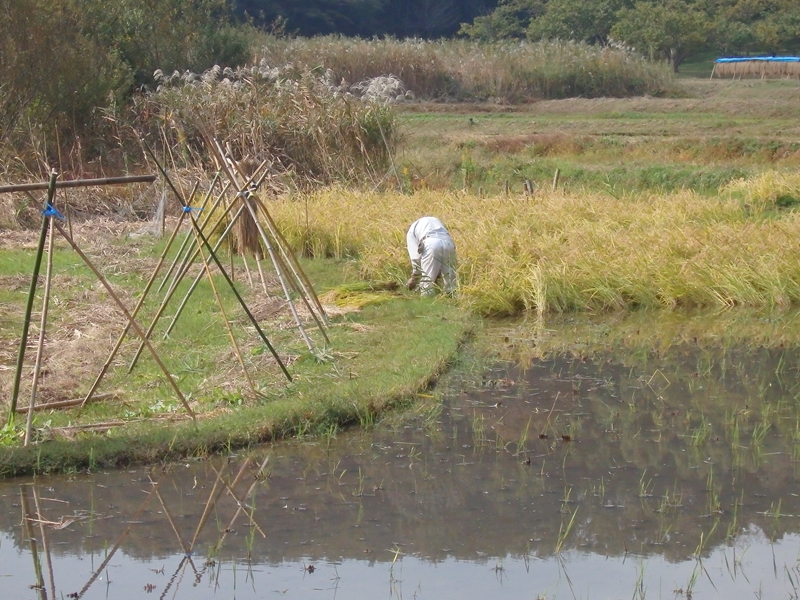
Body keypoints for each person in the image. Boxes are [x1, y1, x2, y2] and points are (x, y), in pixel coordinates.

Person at [405, 216, 457, 295]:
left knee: (427, 283)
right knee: (451, 281)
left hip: (430, 243)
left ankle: (426, 304)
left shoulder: (411, 232)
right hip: (449, 243)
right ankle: (453, 302)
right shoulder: (435, 221)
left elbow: (416, 258)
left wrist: (414, 278)